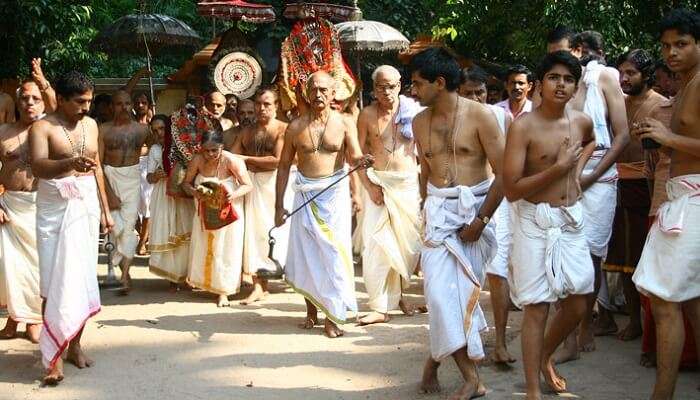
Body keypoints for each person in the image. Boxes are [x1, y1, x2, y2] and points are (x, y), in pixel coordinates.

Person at [410, 47, 504, 399]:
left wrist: (481, 220)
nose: (413, 90)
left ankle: (435, 361)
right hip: (438, 215)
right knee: (438, 295)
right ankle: (471, 378)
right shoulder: (418, 121)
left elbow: (505, 173)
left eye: (418, 83)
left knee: (459, 297)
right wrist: (424, 212)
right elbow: (425, 170)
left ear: (439, 82)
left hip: (475, 212)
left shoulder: (481, 116)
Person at [503, 50, 596, 400]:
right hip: (534, 222)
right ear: (539, 85)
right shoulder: (523, 127)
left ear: (575, 87)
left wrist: (576, 169)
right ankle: (531, 392)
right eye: (554, 78)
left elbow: (592, 142)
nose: (561, 84)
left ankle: (544, 356)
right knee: (537, 306)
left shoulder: (581, 121)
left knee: (578, 302)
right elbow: (511, 189)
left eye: (568, 79)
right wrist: (557, 169)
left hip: (571, 220)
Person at [631, 8, 700, 399]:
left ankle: (663, 394)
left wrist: (669, 138)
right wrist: (661, 138)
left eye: (682, 44)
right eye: (666, 46)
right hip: (682, 197)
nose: (671, 52)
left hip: (694, 199)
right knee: (689, 298)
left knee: (664, 297)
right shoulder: (687, 84)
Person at [29, 71, 114, 385]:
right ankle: (52, 357)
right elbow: (38, 166)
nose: (85, 107)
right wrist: (68, 165)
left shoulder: (92, 126)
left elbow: (97, 169)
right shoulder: (43, 127)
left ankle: (75, 346)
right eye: (79, 102)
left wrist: (106, 211)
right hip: (53, 211)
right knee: (53, 282)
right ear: (61, 99)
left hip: (86, 207)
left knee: (80, 278)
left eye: (89, 101)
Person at [275, 71, 371, 338]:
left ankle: (333, 315)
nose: (318, 94)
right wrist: (278, 206)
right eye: (313, 89)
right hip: (304, 194)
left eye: (324, 90)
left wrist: (364, 163)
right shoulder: (294, 127)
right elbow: (283, 167)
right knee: (307, 254)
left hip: (334, 195)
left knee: (334, 254)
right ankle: (311, 310)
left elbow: (355, 156)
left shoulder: (344, 123)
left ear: (333, 93)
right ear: (306, 92)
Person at [555, 29, 631, 362]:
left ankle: (586, 323)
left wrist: (592, 177)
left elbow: (622, 135)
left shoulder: (605, 77)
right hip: (563, 177)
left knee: (590, 256)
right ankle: (567, 330)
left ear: (578, 49)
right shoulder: (558, 82)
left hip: (600, 180)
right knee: (562, 253)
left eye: (562, 53)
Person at [596, 49, 666, 340]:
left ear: (646, 75)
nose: (623, 79)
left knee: (642, 257)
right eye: (621, 73)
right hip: (616, 185)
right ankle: (624, 320)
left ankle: (645, 325)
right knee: (620, 257)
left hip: (647, 189)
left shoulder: (661, 106)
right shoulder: (618, 103)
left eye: (631, 73)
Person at [355, 65, 423, 325]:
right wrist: (369, 188)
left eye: (392, 86)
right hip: (378, 185)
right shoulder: (366, 115)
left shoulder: (413, 113)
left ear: (400, 86)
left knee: (406, 247)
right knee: (377, 247)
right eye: (382, 86)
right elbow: (358, 157)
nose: (387, 91)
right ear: (374, 89)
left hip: (407, 185)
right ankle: (379, 307)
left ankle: (399, 296)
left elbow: (423, 152)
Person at [459, 65, 515, 364]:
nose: (475, 98)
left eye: (479, 92)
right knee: (463, 274)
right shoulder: (451, 120)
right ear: (458, 92)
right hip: (461, 203)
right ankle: (466, 340)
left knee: (497, 272)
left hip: (497, 200)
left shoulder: (501, 117)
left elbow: (507, 166)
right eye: (468, 93)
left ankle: (501, 342)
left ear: (488, 93)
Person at [0, 80, 46, 343]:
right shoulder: (3, 132)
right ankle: (13, 319)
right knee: (11, 267)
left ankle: (33, 320)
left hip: (41, 206)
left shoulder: (50, 131)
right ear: (17, 103)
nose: (29, 103)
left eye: (35, 98)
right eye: (25, 98)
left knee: (37, 266)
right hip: (9, 206)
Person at [184, 129, 252, 307]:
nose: (210, 154)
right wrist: (195, 192)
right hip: (204, 209)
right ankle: (207, 284)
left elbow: (247, 185)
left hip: (228, 211)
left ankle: (224, 291)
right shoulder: (197, 160)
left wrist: (234, 195)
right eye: (206, 150)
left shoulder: (231, 160)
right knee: (205, 246)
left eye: (214, 150)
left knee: (226, 249)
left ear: (222, 147)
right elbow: (185, 183)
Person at [234, 88, 289, 304]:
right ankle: (258, 286)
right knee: (253, 236)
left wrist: (244, 158)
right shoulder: (246, 131)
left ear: (276, 106)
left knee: (277, 234)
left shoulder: (283, 129)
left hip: (275, 184)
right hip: (251, 186)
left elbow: (277, 160)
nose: (261, 108)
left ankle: (285, 277)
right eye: (258, 104)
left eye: (267, 104)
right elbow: (231, 154)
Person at [98, 90, 149, 294]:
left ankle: (125, 275)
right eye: (119, 104)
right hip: (110, 177)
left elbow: (159, 148)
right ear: (112, 107)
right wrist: (108, 192)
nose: (125, 108)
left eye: (128, 103)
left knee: (127, 229)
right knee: (113, 231)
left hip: (132, 180)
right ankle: (122, 270)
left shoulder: (142, 130)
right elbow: (98, 163)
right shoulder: (103, 130)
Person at [146, 114, 195, 290]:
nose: (159, 133)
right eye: (155, 130)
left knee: (186, 232)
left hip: (182, 194)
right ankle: (173, 278)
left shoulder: (182, 147)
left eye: (162, 128)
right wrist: (155, 175)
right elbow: (149, 177)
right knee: (169, 232)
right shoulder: (155, 150)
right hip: (163, 195)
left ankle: (188, 275)